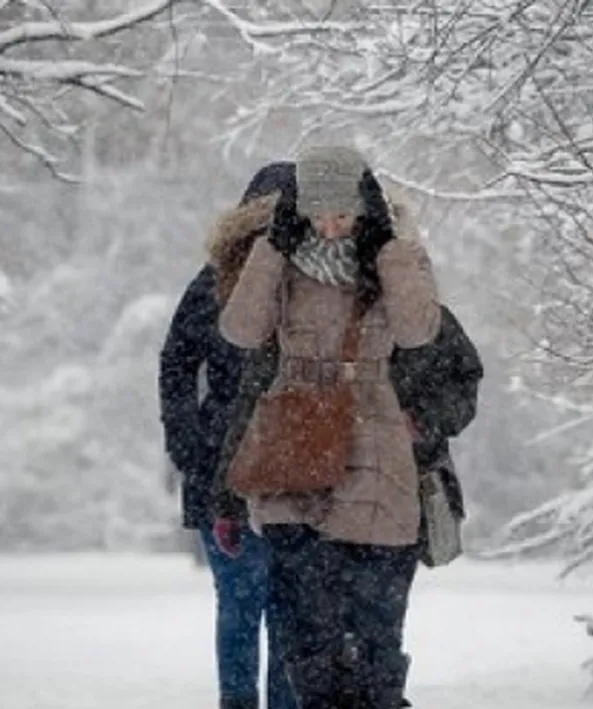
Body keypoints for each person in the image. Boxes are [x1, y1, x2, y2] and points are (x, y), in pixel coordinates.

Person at [214, 145, 443, 709]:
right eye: (319, 214)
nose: (331, 226)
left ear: (365, 206)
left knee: (375, 651)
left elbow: (418, 331)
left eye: (343, 213)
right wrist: (273, 248)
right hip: (296, 452)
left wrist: (387, 248)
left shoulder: (397, 257)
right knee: (306, 649)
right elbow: (241, 331)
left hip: (375, 457)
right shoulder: (283, 258)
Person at [159, 163, 300, 709]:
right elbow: (176, 361)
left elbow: (174, 363)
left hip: (257, 463)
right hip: (257, 466)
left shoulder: (216, 275)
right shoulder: (223, 278)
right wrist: (189, 442)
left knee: (246, 609)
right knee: (283, 611)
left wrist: (188, 440)